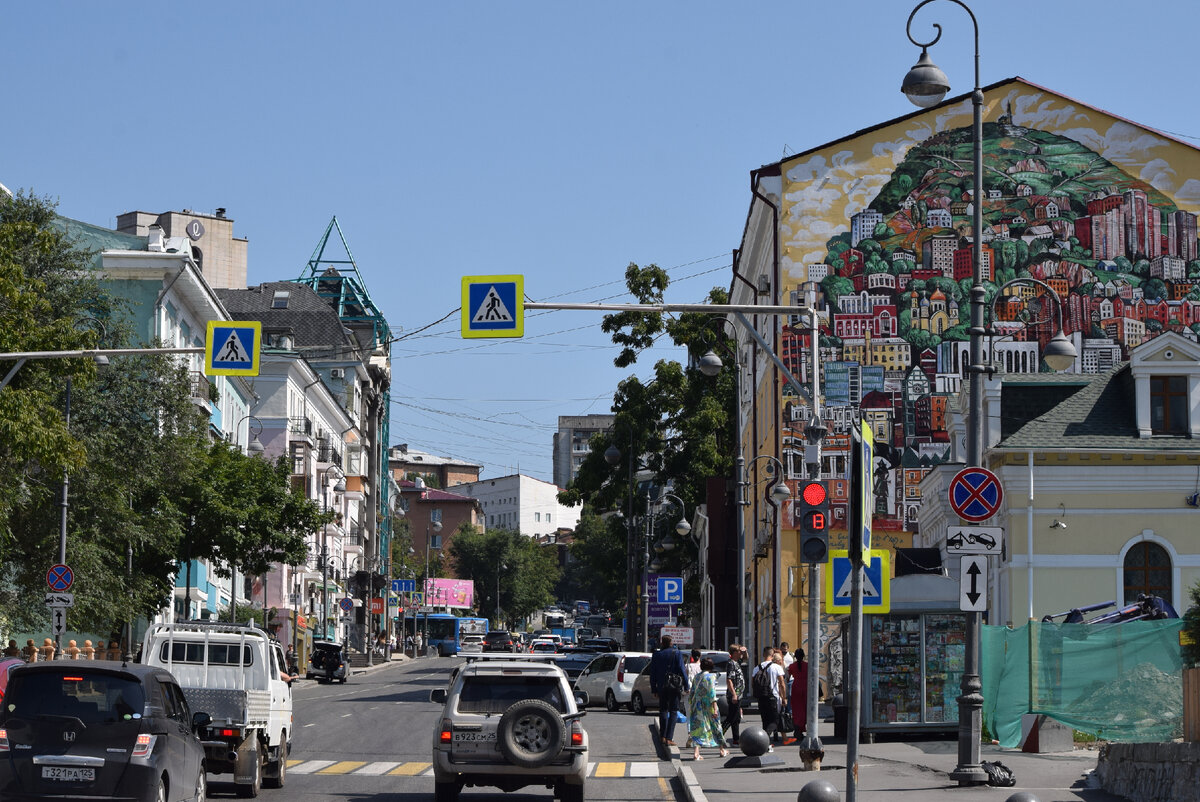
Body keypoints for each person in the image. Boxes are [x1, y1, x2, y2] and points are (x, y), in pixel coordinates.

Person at [648, 634, 690, 748]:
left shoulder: (656, 655)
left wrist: (654, 688)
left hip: (662, 686)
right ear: (671, 643)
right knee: (673, 711)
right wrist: (686, 685)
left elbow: (653, 673)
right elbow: (682, 670)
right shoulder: (676, 653)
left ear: (662, 643)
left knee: (663, 710)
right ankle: (669, 738)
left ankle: (662, 736)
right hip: (674, 686)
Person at [687, 657, 729, 760]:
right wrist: (715, 708)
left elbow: (692, 692)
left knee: (698, 728)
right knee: (716, 726)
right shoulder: (711, 677)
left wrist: (691, 705)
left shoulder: (697, 677)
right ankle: (722, 750)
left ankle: (696, 753)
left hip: (697, 705)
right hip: (708, 705)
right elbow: (712, 693)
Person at [752, 646, 787, 747]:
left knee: (765, 720)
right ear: (772, 655)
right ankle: (764, 737)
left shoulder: (756, 668)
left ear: (763, 655)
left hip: (761, 697)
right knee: (775, 721)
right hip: (773, 697)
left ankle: (765, 744)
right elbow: (782, 684)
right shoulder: (776, 667)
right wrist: (784, 698)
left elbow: (753, 683)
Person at [721, 644, 746, 746]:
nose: (741, 653)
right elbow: (729, 680)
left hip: (739, 694)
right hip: (734, 694)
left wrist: (745, 651)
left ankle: (736, 739)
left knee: (736, 718)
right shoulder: (731, 663)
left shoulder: (736, 662)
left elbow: (745, 658)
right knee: (731, 717)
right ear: (735, 653)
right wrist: (734, 694)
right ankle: (718, 735)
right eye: (739, 651)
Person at [787, 647, 809, 738]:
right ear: (803, 656)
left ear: (795, 656)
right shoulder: (807, 665)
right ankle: (801, 727)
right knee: (805, 709)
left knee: (797, 709)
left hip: (796, 688)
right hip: (806, 688)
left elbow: (787, 678)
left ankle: (797, 728)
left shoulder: (792, 666)